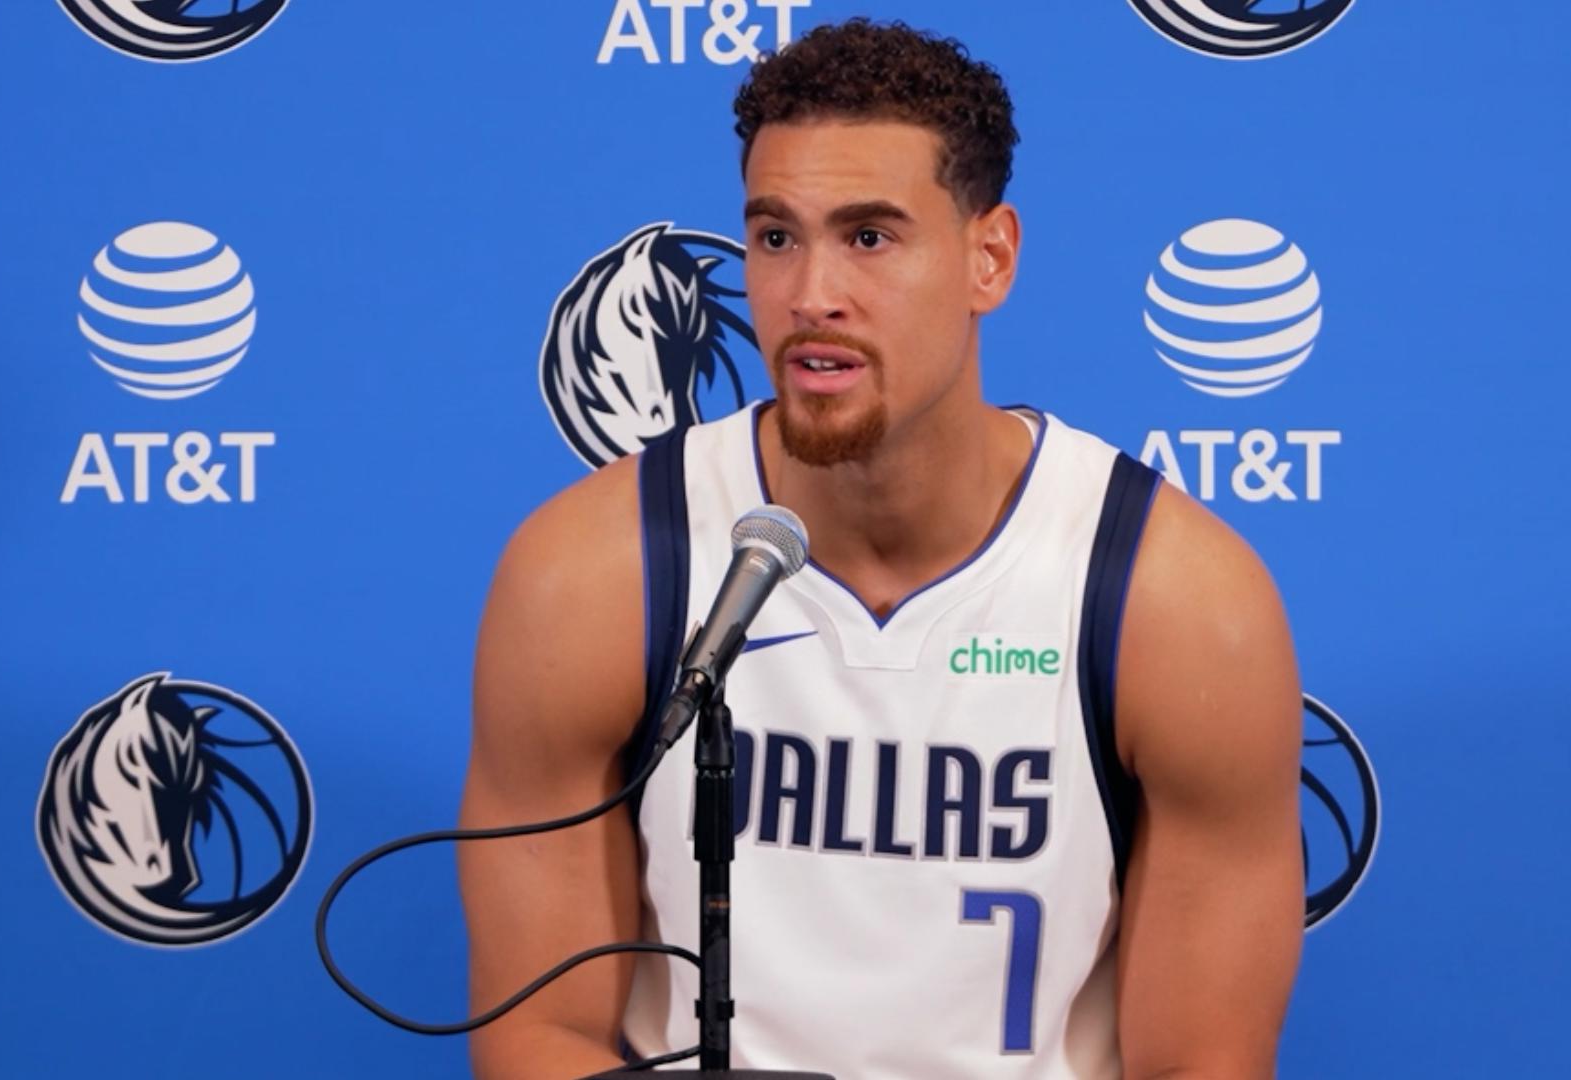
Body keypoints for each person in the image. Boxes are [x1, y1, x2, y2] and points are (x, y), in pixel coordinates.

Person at [459, 19, 1303, 1079]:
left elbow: (1201, 1063)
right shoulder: (595, 571)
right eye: (775, 237)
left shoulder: (1170, 602)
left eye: (869, 237)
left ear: (988, 257)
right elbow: (539, 1035)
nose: (811, 294)